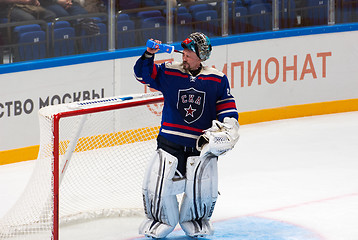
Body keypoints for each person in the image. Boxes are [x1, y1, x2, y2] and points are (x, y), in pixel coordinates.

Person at [133, 32, 240, 238]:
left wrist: (227, 129)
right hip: (169, 144)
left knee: (201, 190)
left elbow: (227, 110)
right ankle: (158, 220)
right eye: (185, 52)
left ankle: (196, 220)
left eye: (190, 53)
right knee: (159, 186)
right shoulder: (169, 72)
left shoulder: (217, 79)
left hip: (198, 149)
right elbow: (142, 75)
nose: (184, 56)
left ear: (202, 55)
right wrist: (148, 54)